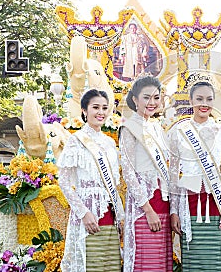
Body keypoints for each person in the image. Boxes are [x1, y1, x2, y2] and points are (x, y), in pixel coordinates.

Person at [169, 79, 221, 271]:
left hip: (217, 203)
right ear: (190, 101)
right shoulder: (179, 131)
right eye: (199, 98)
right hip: (188, 204)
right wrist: (174, 210)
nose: (204, 104)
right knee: (193, 258)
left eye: (208, 99)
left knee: (216, 258)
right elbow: (173, 175)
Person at [58, 89, 124, 272]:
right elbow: (63, 182)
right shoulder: (76, 141)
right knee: (92, 265)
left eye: (104, 108)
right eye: (95, 107)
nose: (101, 112)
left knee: (110, 267)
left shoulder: (110, 143)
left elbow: (114, 183)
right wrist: (83, 213)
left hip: (109, 215)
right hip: (89, 215)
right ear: (84, 110)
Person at [119, 75, 172, 271]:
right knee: (146, 259)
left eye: (156, 97)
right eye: (146, 97)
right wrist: (148, 210)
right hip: (145, 204)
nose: (152, 103)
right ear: (135, 99)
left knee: (160, 258)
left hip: (163, 200)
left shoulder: (157, 127)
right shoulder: (129, 128)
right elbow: (129, 173)